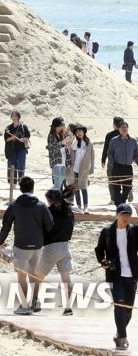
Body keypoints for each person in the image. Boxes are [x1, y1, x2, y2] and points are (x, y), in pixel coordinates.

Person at [0, 176, 54, 315]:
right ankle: (34, 301)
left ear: (20, 188)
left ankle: (24, 306)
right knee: (33, 274)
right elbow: (50, 225)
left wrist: (0, 241)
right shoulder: (41, 205)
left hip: (21, 245)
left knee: (21, 276)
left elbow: (6, 225)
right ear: (33, 188)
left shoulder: (15, 205)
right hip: (37, 246)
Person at [97, 203, 138, 351]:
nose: (126, 217)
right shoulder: (107, 231)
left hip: (132, 275)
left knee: (128, 311)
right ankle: (122, 339)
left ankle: (119, 332)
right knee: (119, 306)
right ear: (117, 215)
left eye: (128, 215)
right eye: (123, 214)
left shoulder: (134, 231)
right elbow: (99, 250)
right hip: (115, 275)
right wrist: (103, 262)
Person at [36, 188, 75, 315]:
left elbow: (44, 229)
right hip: (65, 246)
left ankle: (34, 302)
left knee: (39, 277)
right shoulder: (69, 211)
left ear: (49, 200)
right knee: (67, 280)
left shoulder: (48, 211)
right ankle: (68, 308)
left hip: (51, 247)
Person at [108, 120, 138, 206]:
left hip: (128, 167)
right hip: (117, 166)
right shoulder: (114, 140)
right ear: (119, 130)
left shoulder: (133, 141)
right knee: (116, 187)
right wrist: (113, 164)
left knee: (128, 187)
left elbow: (136, 154)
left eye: (125, 127)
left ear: (128, 129)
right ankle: (119, 205)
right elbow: (109, 153)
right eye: (122, 127)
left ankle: (122, 201)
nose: (124, 129)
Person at [67, 124, 95, 213]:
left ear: (84, 132)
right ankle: (79, 206)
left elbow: (92, 157)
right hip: (74, 169)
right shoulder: (75, 143)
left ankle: (86, 206)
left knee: (84, 187)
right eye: (77, 131)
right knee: (75, 188)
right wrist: (75, 139)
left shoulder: (89, 143)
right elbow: (72, 148)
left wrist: (92, 169)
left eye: (81, 131)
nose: (79, 133)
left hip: (84, 169)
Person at [4, 110, 31, 187]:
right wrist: (12, 138)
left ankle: (21, 182)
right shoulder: (8, 128)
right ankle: (12, 183)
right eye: (12, 116)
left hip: (22, 149)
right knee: (12, 166)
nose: (14, 117)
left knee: (21, 166)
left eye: (15, 116)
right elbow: (6, 139)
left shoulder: (23, 126)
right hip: (11, 150)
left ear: (18, 117)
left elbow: (28, 136)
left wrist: (24, 139)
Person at [46, 117, 73, 190]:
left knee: (59, 184)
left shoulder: (62, 135)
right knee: (57, 185)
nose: (60, 128)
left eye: (61, 126)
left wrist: (68, 162)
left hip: (63, 163)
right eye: (59, 126)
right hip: (56, 163)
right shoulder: (51, 135)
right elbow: (52, 147)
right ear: (54, 126)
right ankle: (50, 196)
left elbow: (66, 150)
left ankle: (55, 198)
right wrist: (63, 142)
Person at [105, 117, 126, 203]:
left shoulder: (109, 135)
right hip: (123, 162)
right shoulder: (125, 135)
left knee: (111, 180)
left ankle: (113, 199)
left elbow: (106, 148)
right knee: (122, 179)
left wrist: (103, 159)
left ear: (114, 125)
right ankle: (124, 195)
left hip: (111, 161)